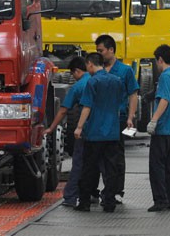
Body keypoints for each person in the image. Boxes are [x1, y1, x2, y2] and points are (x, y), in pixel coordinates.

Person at [73, 52, 125, 213]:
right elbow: (119, 104)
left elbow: (87, 106)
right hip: (112, 132)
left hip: (95, 132)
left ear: (89, 64)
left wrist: (79, 127)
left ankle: (84, 202)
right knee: (111, 169)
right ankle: (109, 202)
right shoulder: (117, 81)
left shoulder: (92, 82)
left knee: (89, 168)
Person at [95, 34, 139, 203]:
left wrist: (130, 117)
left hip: (118, 118)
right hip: (99, 120)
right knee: (100, 156)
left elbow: (133, 94)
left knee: (117, 157)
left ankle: (116, 191)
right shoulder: (97, 70)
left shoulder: (125, 70)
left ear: (111, 50)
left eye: (101, 50)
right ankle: (103, 189)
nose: (99, 54)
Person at [43, 57, 90, 207]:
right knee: (98, 165)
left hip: (85, 130)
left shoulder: (78, 86)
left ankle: (70, 197)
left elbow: (63, 110)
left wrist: (51, 128)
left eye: (73, 74)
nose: (73, 77)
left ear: (77, 71)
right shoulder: (97, 81)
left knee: (78, 164)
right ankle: (97, 195)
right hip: (103, 131)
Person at [146, 44, 170, 212]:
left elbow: (164, 99)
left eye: (156, 61)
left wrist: (154, 120)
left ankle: (161, 201)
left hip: (163, 130)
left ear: (160, 60)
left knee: (156, 166)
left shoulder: (165, 77)